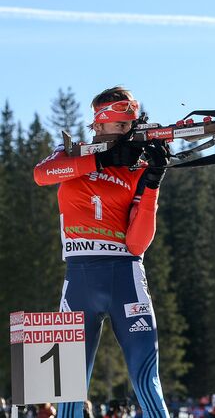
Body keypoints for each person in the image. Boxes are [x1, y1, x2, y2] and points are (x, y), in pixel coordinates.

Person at [34, 86, 171, 418]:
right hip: (79, 279)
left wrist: (152, 181)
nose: (127, 130)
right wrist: (100, 159)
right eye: (120, 124)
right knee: (62, 387)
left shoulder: (135, 168)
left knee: (146, 379)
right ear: (99, 124)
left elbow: (137, 243)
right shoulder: (69, 153)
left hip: (126, 277)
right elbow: (42, 175)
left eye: (130, 124)